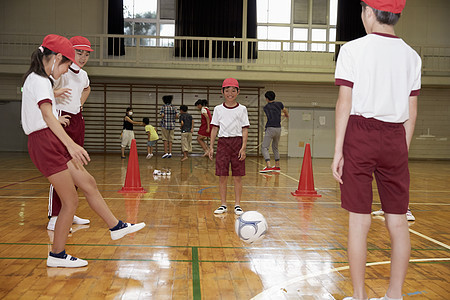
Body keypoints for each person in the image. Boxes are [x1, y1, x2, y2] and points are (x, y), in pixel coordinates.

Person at [21, 34, 146, 268]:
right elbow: (47, 115)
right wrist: (70, 143)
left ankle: (116, 227)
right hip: (45, 142)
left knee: (88, 182)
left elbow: (43, 108)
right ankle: (57, 254)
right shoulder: (39, 80)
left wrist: (56, 97)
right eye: (68, 64)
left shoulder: (40, 80)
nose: (68, 69)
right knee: (70, 201)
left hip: (49, 140)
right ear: (58, 57)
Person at [331, 1, 421, 299]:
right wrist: (400, 150)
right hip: (395, 135)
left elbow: (345, 103)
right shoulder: (412, 56)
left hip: (360, 134)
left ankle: (360, 296)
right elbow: (412, 109)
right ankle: (394, 294)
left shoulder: (353, 50)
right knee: (397, 221)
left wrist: (338, 151)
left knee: (359, 221)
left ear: (369, 12)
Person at [47, 36, 93, 231]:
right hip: (61, 119)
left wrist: (80, 103)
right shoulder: (60, 71)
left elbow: (87, 88)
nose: (82, 57)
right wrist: (54, 116)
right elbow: (42, 92)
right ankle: (54, 215)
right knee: (60, 169)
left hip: (77, 120)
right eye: (79, 52)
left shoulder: (83, 75)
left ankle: (69, 211)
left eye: (86, 54)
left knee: (76, 167)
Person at [209, 78, 249, 216]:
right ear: (222, 92)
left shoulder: (242, 109)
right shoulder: (218, 109)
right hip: (223, 143)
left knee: (238, 176)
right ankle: (223, 204)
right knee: (222, 176)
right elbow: (214, 128)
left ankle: (237, 204)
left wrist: (243, 147)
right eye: (227, 90)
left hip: (237, 143)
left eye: (233, 90)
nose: (230, 93)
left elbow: (245, 129)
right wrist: (211, 147)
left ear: (238, 92)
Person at [259, 91, 289, 173]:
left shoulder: (266, 107)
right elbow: (284, 111)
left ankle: (268, 166)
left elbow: (272, 114)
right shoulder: (279, 104)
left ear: (267, 99)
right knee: (275, 147)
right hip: (278, 129)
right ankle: (277, 166)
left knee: (264, 147)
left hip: (270, 128)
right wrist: (285, 115)